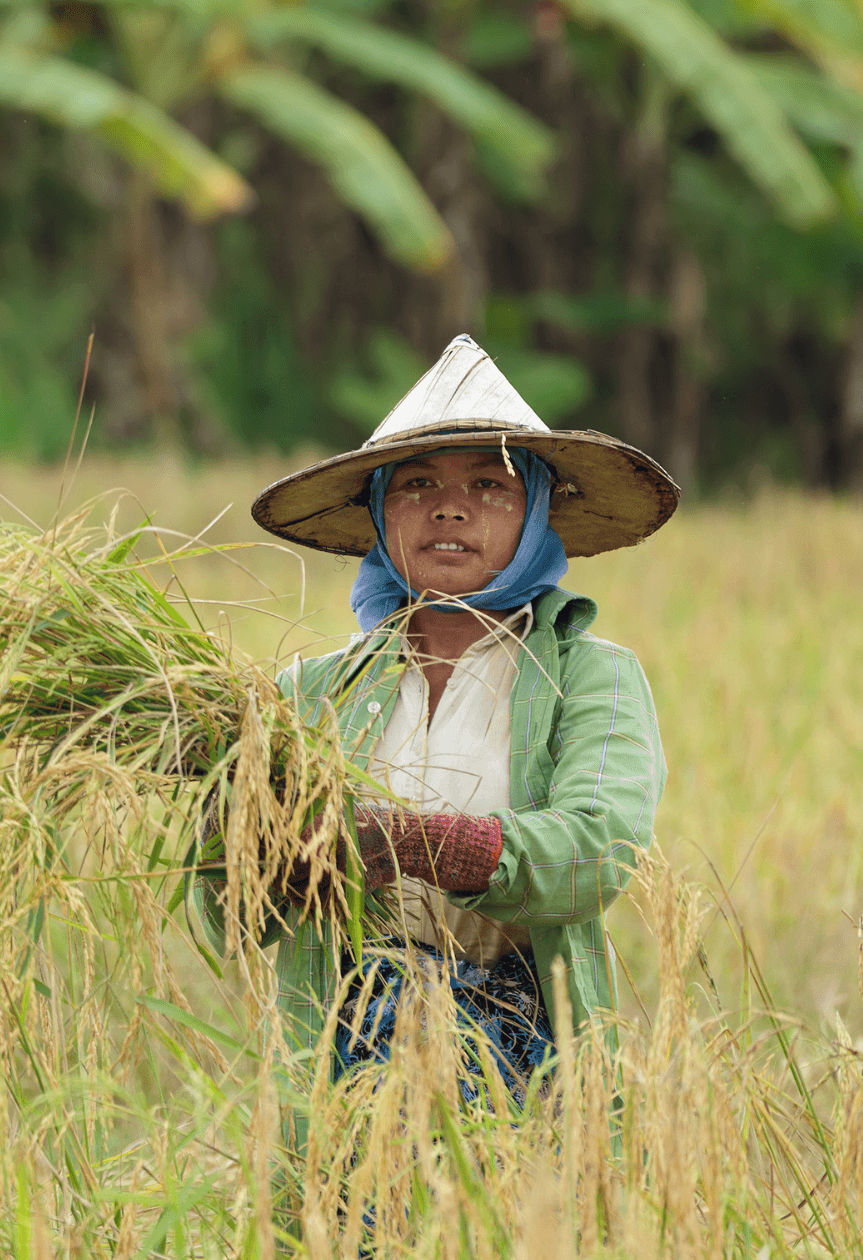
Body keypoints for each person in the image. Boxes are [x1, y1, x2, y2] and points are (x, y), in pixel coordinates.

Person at [207, 334, 678, 1103]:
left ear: (535, 513)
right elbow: (230, 909)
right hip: (344, 1050)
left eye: (491, 483)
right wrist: (259, 841)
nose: (450, 506)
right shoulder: (308, 693)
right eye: (416, 482)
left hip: (523, 1050)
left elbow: (597, 849)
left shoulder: (592, 676)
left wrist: (407, 842)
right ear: (379, 512)